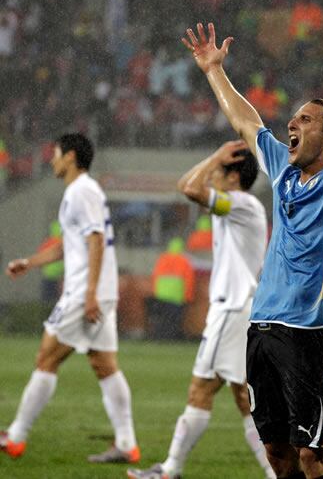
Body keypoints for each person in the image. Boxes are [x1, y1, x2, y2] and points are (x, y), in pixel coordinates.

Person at [180, 3, 323, 478]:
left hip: (310, 330)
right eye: (293, 119)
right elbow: (247, 123)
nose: (292, 125)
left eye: (306, 121)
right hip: (262, 325)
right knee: (276, 452)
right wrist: (214, 71)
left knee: (314, 454)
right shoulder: (284, 173)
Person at [128, 141, 273, 479]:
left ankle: (170, 470)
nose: (213, 178)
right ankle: (276, 473)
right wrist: (217, 163)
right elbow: (193, 188)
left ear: (233, 176)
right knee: (243, 397)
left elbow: (188, 187)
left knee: (201, 389)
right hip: (238, 311)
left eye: (221, 172)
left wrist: (215, 158)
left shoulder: (241, 203)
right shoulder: (240, 206)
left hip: (232, 310)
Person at [1, 133, 140, 463]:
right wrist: (30, 263)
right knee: (104, 365)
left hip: (84, 293)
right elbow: (70, 243)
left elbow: (94, 239)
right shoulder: (82, 192)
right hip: (97, 292)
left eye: (57, 153)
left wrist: (89, 293)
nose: (51, 159)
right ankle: (126, 443)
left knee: (46, 357)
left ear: (72, 156)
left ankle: (16, 436)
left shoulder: (81, 191)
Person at [149, 237, 195, 340]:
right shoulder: (184, 261)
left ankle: (160, 337)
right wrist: (188, 296)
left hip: (161, 295)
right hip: (176, 296)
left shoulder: (162, 259)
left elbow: (155, 276)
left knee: (162, 319)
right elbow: (189, 280)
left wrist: (154, 292)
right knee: (174, 320)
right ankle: (171, 338)